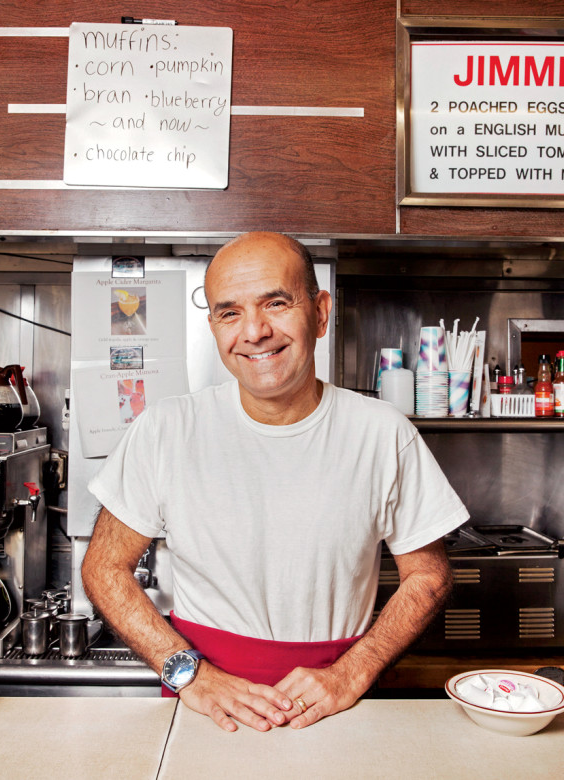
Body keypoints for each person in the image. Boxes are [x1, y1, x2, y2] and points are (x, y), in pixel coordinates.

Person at [82, 231, 469, 733]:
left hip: (334, 709)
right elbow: (104, 567)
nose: (255, 331)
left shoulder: (382, 432)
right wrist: (189, 674)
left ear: (321, 312)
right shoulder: (166, 429)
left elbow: (429, 576)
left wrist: (352, 672)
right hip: (207, 713)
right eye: (230, 313)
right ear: (215, 327)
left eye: (277, 303)